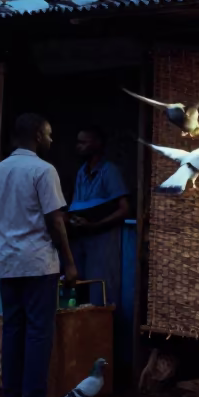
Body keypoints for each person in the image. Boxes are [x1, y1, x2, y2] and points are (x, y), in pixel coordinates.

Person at [0, 114, 78, 397]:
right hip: (38, 262)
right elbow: (55, 220)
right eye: (49, 134)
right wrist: (69, 262)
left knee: (13, 328)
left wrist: (7, 236)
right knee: (39, 330)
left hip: (8, 262)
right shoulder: (43, 170)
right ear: (37, 135)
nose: (52, 140)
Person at [68, 126, 128, 308]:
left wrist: (96, 225)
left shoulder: (110, 171)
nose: (79, 146)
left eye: (83, 142)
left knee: (101, 295)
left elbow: (124, 209)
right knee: (78, 293)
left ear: (97, 144)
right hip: (82, 241)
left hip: (103, 243)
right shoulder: (81, 172)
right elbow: (77, 206)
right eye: (78, 142)